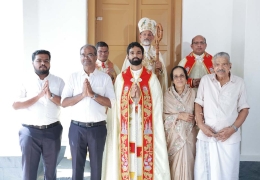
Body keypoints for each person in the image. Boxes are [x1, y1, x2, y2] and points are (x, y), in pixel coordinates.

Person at [102, 42, 170, 180]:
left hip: (144, 129)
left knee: (143, 156)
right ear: (127, 56)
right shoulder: (121, 79)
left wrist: (141, 98)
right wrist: (129, 98)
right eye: (132, 53)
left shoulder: (151, 78)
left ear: (142, 56)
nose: (135, 55)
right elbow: (116, 106)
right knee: (128, 156)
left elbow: (158, 104)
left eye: (138, 53)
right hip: (126, 129)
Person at [61, 44, 115, 180]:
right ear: (80, 57)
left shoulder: (105, 78)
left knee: (96, 168)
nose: (86, 58)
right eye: (83, 55)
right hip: (77, 128)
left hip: (97, 128)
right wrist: (82, 95)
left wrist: (93, 95)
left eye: (90, 54)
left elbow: (112, 103)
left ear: (96, 57)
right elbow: (64, 102)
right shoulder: (73, 77)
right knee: (76, 168)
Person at [194, 52, 250, 180]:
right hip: (207, 135)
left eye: (224, 64)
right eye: (217, 64)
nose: (221, 67)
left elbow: (244, 109)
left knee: (228, 172)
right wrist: (201, 125)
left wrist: (233, 129)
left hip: (229, 137)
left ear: (230, 66)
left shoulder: (239, 83)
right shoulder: (206, 80)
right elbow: (198, 103)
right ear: (213, 66)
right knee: (204, 173)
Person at [12, 50, 65, 180]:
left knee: (51, 171)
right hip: (29, 132)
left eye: (46, 60)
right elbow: (16, 105)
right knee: (29, 171)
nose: (43, 63)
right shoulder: (25, 81)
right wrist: (39, 96)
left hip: (52, 130)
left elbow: (65, 103)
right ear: (32, 63)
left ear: (50, 63)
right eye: (39, 60)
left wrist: (50, 95)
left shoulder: (58, 81)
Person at [163, 66, 197, 180]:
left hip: (190, 136)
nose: (179, 79)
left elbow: (200, 114)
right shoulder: (166, 95)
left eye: (182, 75)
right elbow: (161, 117)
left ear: (186, 78)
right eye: (175, 76)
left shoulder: (193, 94)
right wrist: (179, 116)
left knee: (189, 163)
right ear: (172, 79)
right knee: (173, 167)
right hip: (173, 138)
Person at [122, 17, 168, 93]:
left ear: (153, 37)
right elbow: (126, 71)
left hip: (151, 86)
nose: (146, 37)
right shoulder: (134, 52)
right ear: (140, 37)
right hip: (136, 86)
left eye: (149, 35)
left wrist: (160, 69)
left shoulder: (156, 53)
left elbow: (163, 75)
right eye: (144, 34)